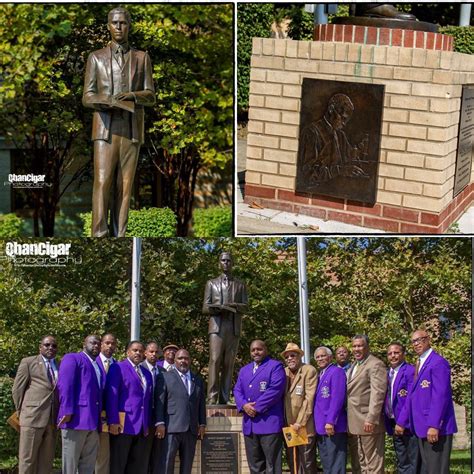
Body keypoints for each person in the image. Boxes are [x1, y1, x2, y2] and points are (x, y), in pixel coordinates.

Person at [83, 7, 155, 237]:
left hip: (131, 128)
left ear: (129, 25)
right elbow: (87, 96)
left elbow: (151, 95)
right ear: (108, 26)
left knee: (125, 187)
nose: (119, 27)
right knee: (103, 182)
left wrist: (133, 96)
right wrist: (106, 101)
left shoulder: (142, 58)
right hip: (105, 127)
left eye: (123, 23)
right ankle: (99, 235)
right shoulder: (96, 57)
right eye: (114, 23)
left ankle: (120, 235)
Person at [395, 330, 457, 474]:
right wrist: (402, 421)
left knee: (437, 470)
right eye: (413, 341)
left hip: (435, 429)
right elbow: (412, 397)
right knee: (429, 469)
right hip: (421, 428)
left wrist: (434, 425)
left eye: (420, 339)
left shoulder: (438, 363)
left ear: (428, 339)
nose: (417, 344)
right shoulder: (419, 363)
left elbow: (440, 396)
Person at [234, 340, 286, 474]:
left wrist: (255, 408)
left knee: (272, 465)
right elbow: (237, 391)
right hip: (250, 425)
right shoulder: (244, 370)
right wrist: (244, 405)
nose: (256, 352)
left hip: (268, 423)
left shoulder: (275, 366)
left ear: (266, 350)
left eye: (259, 349)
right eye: (253, 350)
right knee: (255, 466)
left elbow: (275, 391)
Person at [203, 251, 248, 404]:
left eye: (228, 261)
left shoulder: (240, 285)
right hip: (217, 326)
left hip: (233, 325)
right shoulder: (211, 283)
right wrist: (218, 308)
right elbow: (205, 307)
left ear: (232, 263)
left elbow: (246, 307)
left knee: (229, 362)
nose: (226, 263)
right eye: (223, 261)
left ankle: (224, 397)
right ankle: (212, 397)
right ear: (219, 263)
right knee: (215, 360)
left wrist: (234, 306)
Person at [12, 335, 60, 474]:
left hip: (52, 420)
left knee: (46, 461)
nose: (50, 348)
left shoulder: (60, 364)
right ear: (40, 347)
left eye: (54, 346)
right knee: (27, 460)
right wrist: (22, 412)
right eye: (47, 345)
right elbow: (17, 390)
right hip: (32, 418)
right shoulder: (28, 362)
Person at [58, 335, 104, 473]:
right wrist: (66, 411)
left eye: (98, 344)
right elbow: (65, 385)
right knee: (70, 465)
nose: (96, 346)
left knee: (88, 465)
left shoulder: (98, 365)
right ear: (84, 344)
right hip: (75, 419)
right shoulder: (72, 358)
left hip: (93, 422)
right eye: (92, 343)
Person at [155, 349, 206, 474]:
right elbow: (160, 402)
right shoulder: (165, 377)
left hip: (191, 430)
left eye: (186, 358)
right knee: (167, 463)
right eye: (180, 358)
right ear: (175, 361)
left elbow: (201, 404)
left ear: (190, 360)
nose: (183, 361)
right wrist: (160, 422)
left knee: (187, 466)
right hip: (171, 428)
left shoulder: (197, 380)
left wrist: (202, 424)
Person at [106, 341, 154, 474]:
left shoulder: (146, 373)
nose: (138, 353)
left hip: (142, 427)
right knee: (118, 466)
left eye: (140, 350)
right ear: (128, 352)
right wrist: (113, 421)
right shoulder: (118, 368)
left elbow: (148, 401)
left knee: (137, 467)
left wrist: (147, 425)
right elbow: (112, 396)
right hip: (123, 425)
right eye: (134, 350)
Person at [298, 93, 368, 184]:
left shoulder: (340, 135)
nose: (344, 124)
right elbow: (308, 173)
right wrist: (339, 171)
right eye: (342, 118)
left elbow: (349, 156)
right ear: (331, 109)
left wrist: (359, 150)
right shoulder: (311, 132)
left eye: (346, 121)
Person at [346, 334, 387, 474]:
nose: (356, 349)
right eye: (354, 346)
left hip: (368, 422)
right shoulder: (354, 365)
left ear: (367, 347)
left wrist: (371, 418)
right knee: (362, 462)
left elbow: (378, 394)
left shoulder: (375, 364)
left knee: (373, 464)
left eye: (360, 346)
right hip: (355, 422)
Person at [384, 342, 421, 474]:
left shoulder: (410, 371)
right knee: (401, 460)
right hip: (393, 422)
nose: (393, 356)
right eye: (390, 353)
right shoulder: (388, 373)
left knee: (412, 461)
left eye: (396, 352)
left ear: (403, 354)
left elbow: (410, 399)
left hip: (407, 424)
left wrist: (402, 422)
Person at [281, 342, 317, 474]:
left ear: (299, 356)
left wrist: (299, 423)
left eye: (293, 355)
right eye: (287, 356)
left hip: (304, 426)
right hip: (288, 427)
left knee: (307, 463)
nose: (289, 358)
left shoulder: (309, 370)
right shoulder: (283, 372)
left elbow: (309, 399)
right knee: (293, 463)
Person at [313, 346, 347, 474]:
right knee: (327, 464)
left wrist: (331, 421)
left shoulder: (336, 372)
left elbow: (337, 398)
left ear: (330, 357)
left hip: (333, 426)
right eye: (318, 357)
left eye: (323, 356)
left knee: (336, 464)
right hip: (321, 427)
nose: (320, 359)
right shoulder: (320, 374)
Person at [141, 341, 166, 474]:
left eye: (156, 352)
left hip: (158, 418)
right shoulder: (140, 368)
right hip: (143, 418)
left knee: (156, 456)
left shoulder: (163, 371)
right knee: (143, 456)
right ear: (145, 353)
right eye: (151, 351)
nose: (153, 354)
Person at [95, 333, 118, 474]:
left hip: (111, 419)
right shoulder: (92, 362)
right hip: (90, 416)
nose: (110, 346)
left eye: (113, 343)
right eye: (107, 342)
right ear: (101, 344)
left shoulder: (118, 366)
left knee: (104, 457)